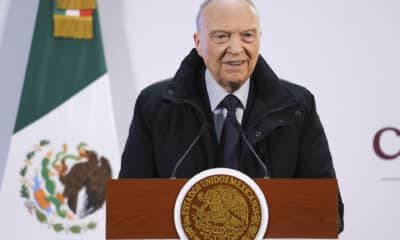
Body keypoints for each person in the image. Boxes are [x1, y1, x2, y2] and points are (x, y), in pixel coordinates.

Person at [119, 0, 344, 233]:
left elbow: (328, 214)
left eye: (247, 35)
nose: (236, 48)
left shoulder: (296, 107)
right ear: (198, 42)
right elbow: (129, 212)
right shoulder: (156, 106)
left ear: (259, 38)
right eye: (221, 36)